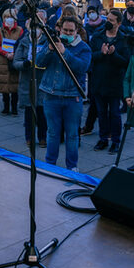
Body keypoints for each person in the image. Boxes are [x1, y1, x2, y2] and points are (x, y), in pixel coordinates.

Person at [37, 16, 91, 171]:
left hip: (72, 97)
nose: (67, 33)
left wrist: (65, 52)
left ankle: (72, 166)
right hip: (51, 95)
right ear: (59, 29)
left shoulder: (83, 48)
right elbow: (39, 62)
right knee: (52, 133)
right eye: (65, 30)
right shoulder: (51, 42)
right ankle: (50, 165)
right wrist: (49, 50)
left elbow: (82, 67)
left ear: (77, 31)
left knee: (72, 134)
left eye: (71, 31)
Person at [89, 11, 129, 152]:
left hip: (114, 83)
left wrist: (114, 54)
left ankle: (116, 141)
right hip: (99, 81)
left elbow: (126, 62)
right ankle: (103, 139)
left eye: (112, 20)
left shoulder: (123, 39)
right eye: (108, 19)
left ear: (118, 23)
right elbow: (91, 56)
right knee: (101, 113)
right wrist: (101, 53)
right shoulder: (98, 36)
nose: (109, 22)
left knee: (114, 113)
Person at [16, 10, 49, 147]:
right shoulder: (24, 41)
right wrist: (24, 64)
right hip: (28, 82)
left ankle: (42, 137)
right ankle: (29, 137)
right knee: (29, 114)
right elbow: (16, 62)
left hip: (42, 82)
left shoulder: (48, 40)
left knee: (42, 113)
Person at [0, 12, 23, 115]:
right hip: (3, 60)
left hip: (15, 58)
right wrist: (6, 54)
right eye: (6, 17)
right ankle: (6, 107)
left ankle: (14, 107)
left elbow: (21, 44)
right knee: (4, 83)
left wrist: (14, 54)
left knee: (15, 84)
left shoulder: (19, 30)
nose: (8, 19)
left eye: (10, 17)